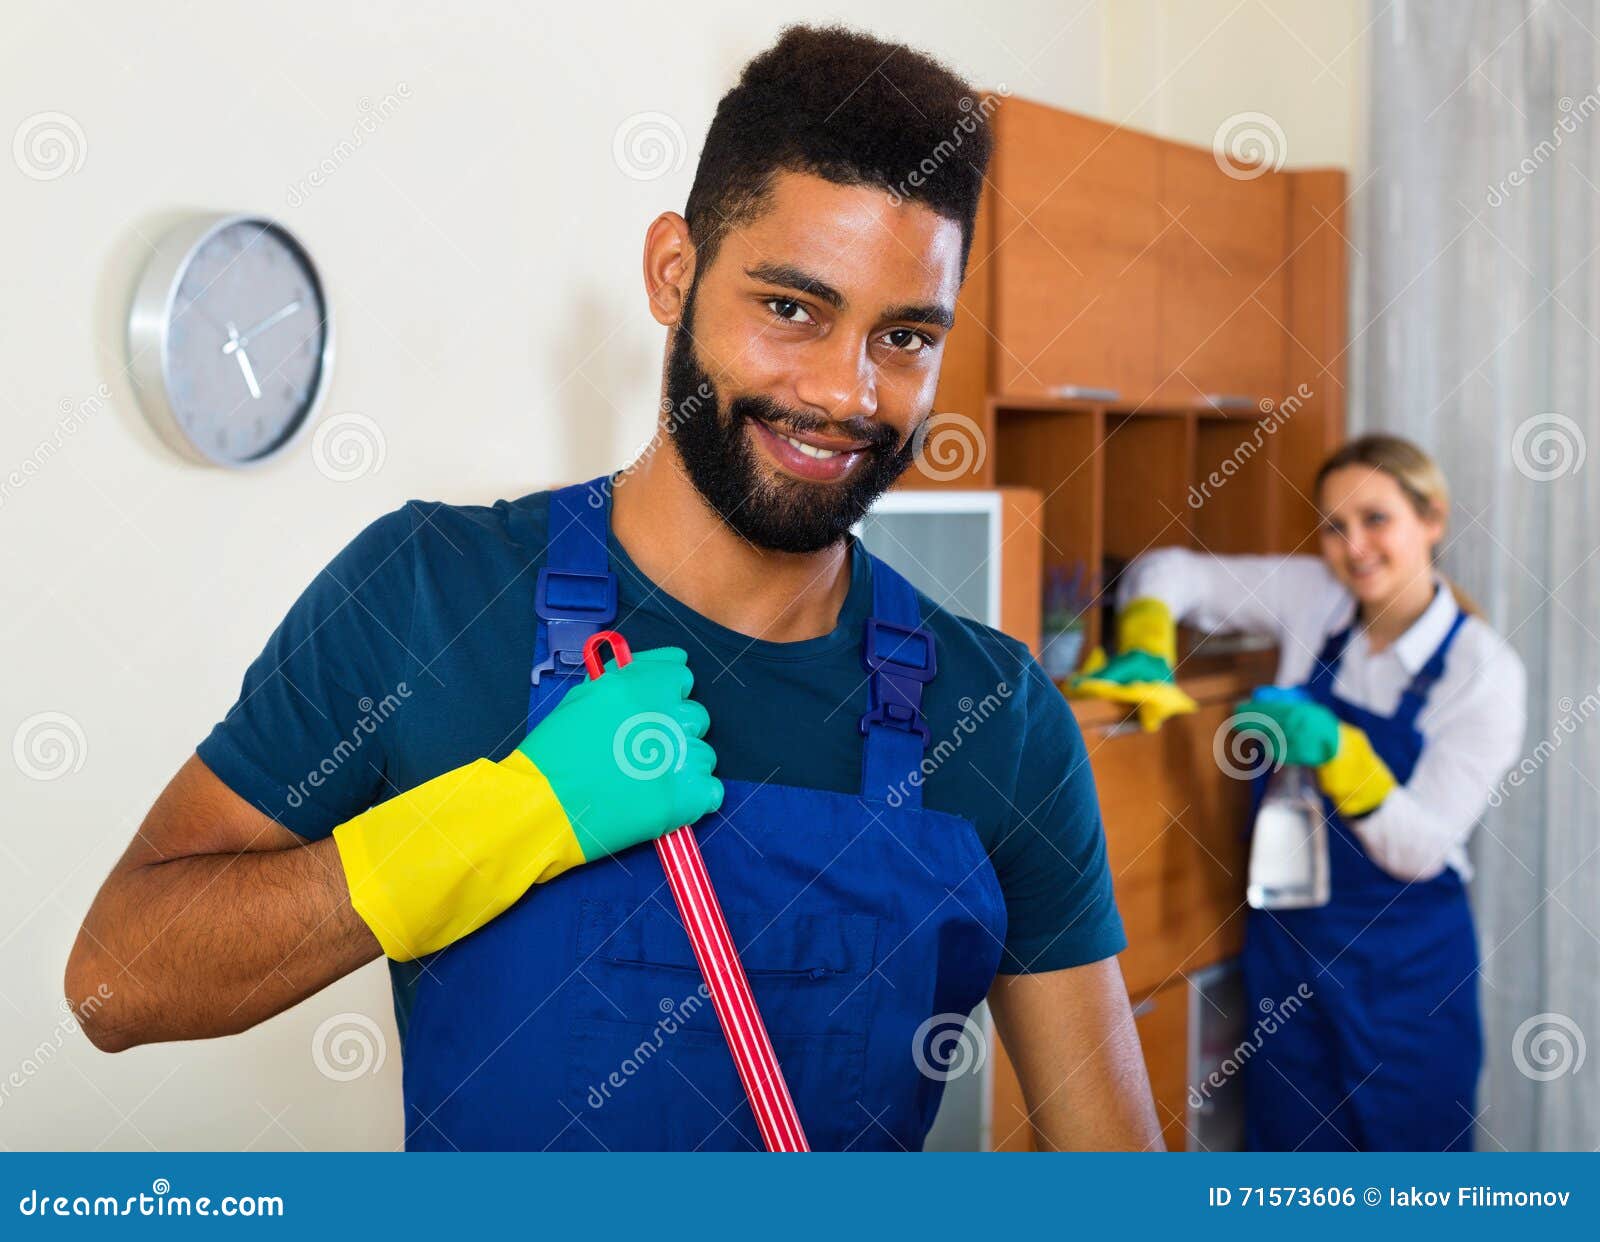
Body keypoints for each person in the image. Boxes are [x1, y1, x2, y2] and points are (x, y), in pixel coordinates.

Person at [65, 24, 1162, 1153]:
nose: (845, 391)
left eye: (904, 336)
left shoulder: (998, 719)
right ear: (672, 273)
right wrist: (509, 820)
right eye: (791, 308)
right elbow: (115, 983)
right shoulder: (430, 597)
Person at [1072, 434, 1526, 1151]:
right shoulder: (1316, 597)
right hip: (1289, 947)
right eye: (1335, 526)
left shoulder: (1484, 672)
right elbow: (1167, 571)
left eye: (1376, 519)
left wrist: (1341, 753)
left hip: (1407, 974)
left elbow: (1419, 848)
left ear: (1432, 519)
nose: (1354, 547)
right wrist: (1148, 644)